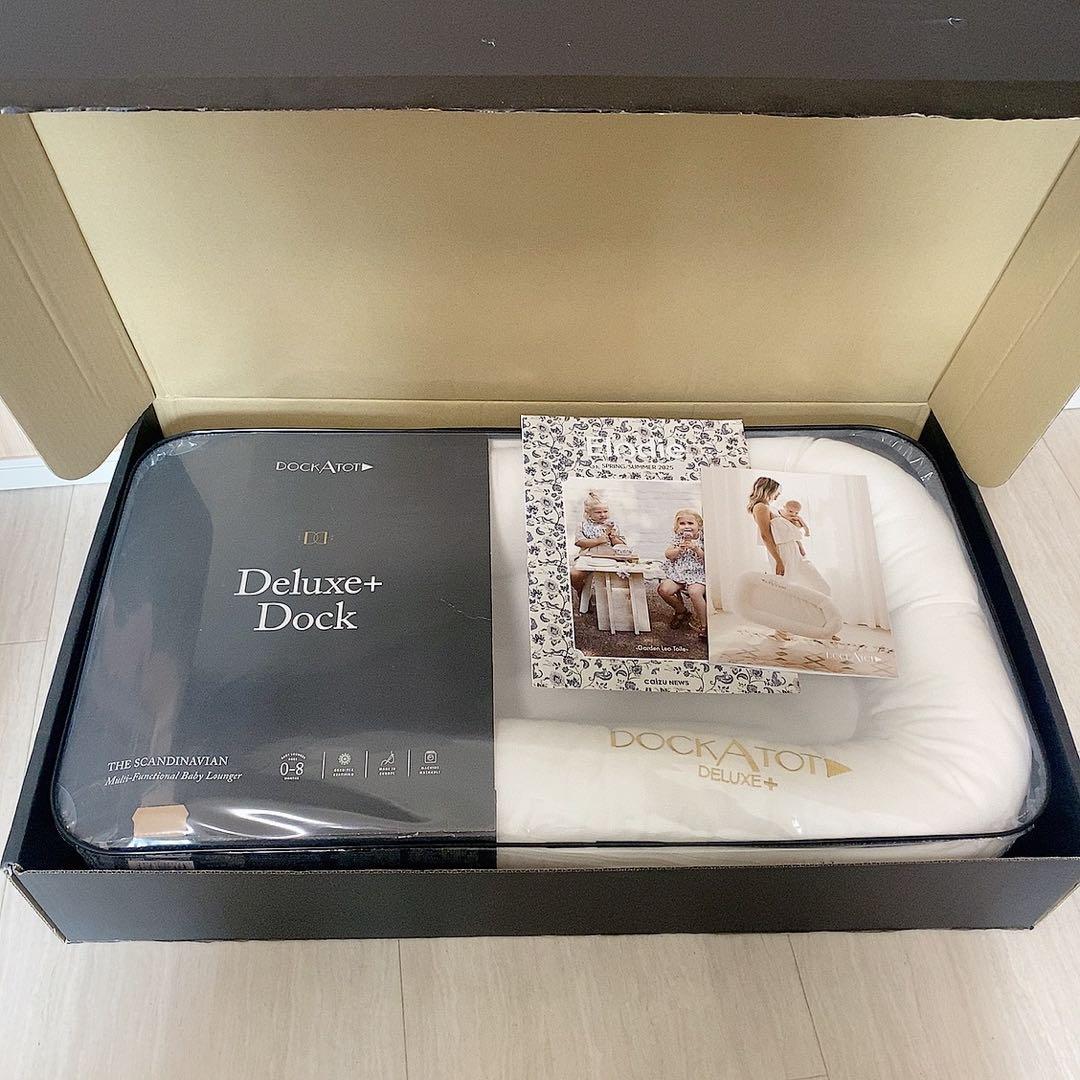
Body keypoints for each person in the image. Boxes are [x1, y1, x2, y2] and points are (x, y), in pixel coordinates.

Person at [657, 509, 708, 640]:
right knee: (663, 589)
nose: (686, 526)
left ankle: (705, 625)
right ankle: (681, 611)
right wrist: (679, 549)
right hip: (678, 574)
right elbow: (668, 554)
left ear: (699, 525)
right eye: (682, 523)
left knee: (695, 592)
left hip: (697, 574)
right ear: (677, 526)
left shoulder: (703, 538)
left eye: (690, 523)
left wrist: (696, 549)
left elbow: (707, 558)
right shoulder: (678, 538)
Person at [569, 490, 628, 600]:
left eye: (605, 511)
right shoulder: (582, 525)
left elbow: (622, 546)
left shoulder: (612, 526)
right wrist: (598, 540)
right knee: (574, 574)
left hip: (609, 558)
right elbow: (579, 542)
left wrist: (613, 537)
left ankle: (617, 599)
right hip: (588, 557)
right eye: (598, 512)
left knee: (624, 575)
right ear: (588, 513)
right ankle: (581, 591)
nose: (603, 515)